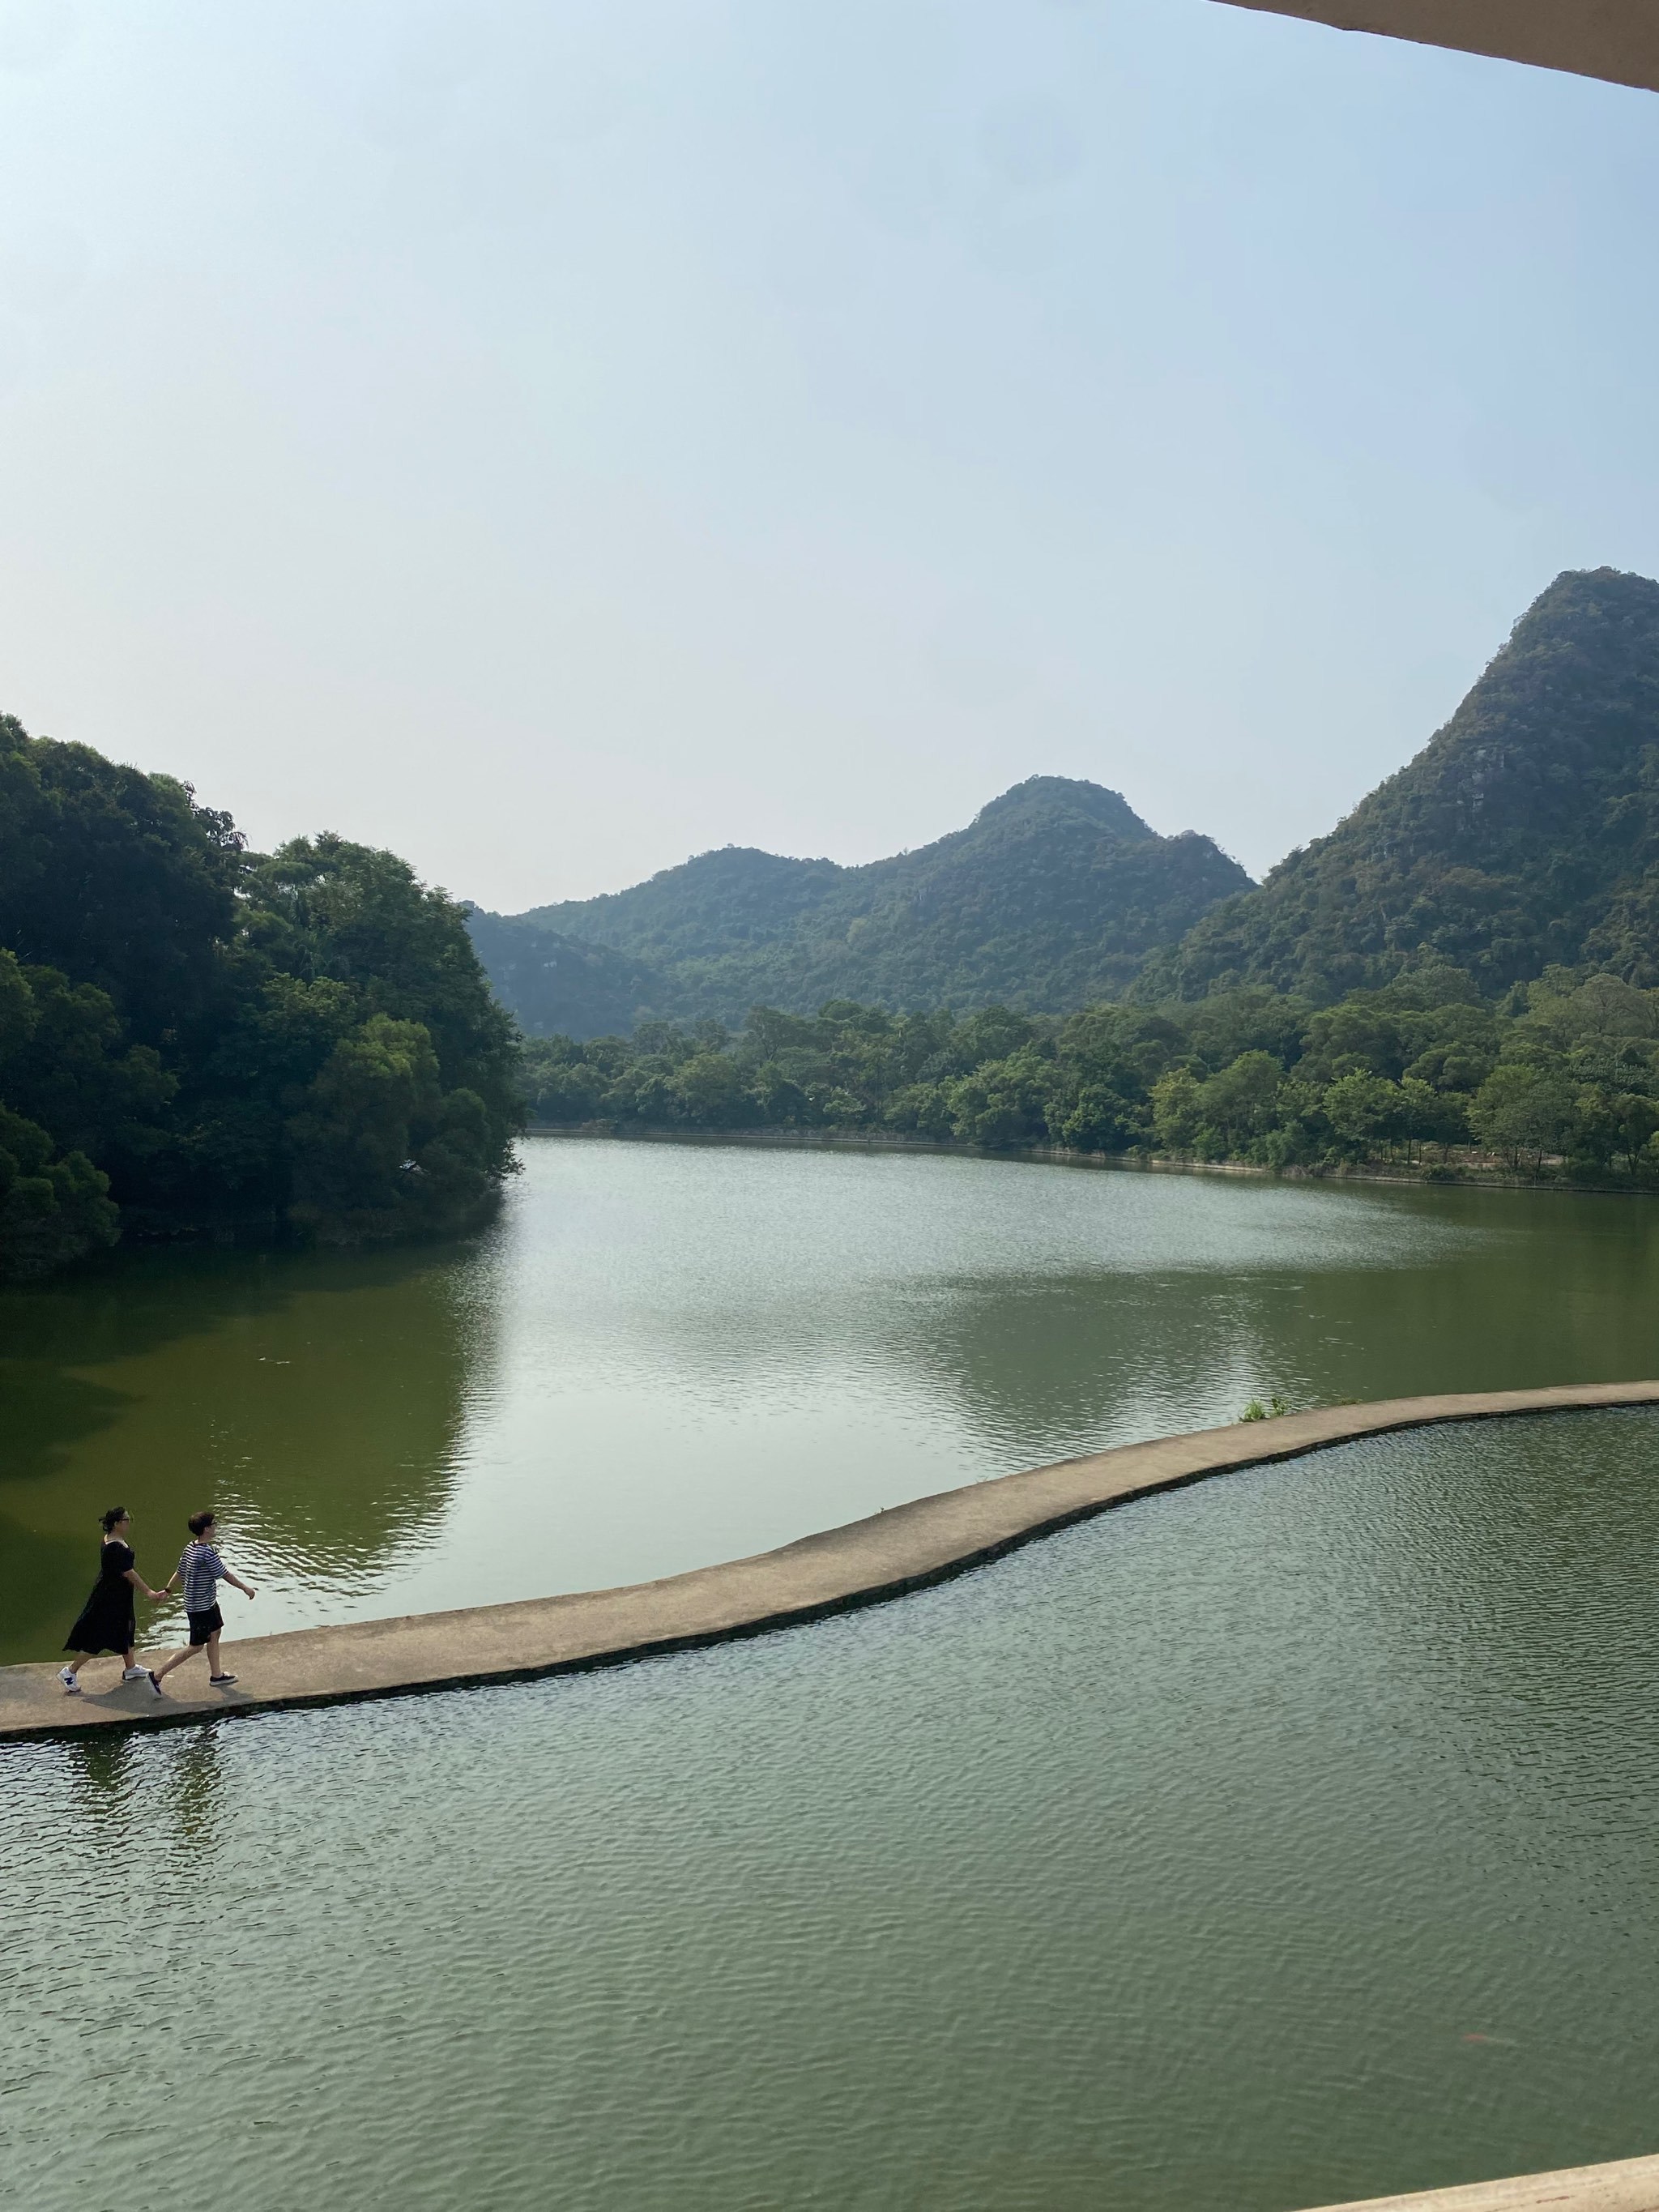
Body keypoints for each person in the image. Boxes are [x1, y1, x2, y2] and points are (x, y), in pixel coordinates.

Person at [60, 1508, 168, 1693]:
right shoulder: (115, 1547)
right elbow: (129, 1572)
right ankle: (70, 1672)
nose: (129, 1522)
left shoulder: (113, 1540)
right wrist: (149, 1593)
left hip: (118, 1594)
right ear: (117, 1523)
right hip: (111, 1597)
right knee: (101, 1635)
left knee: (127, 1627)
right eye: (126, 1520)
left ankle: (131, 1668)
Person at [149, 1510, 257, 1693]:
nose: (216, 1527)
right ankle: (157, 1676)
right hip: (200, 1607)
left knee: (215, 1632)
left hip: (206, 1603)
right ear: (206, 1529)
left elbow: (180, 1570)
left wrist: (168, 1589)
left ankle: (217, 1676)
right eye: (214, 1524)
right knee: (196, 1646)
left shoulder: (190, 1547)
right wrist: (245, 1588)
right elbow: (225, 1574)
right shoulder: (207, 1553)